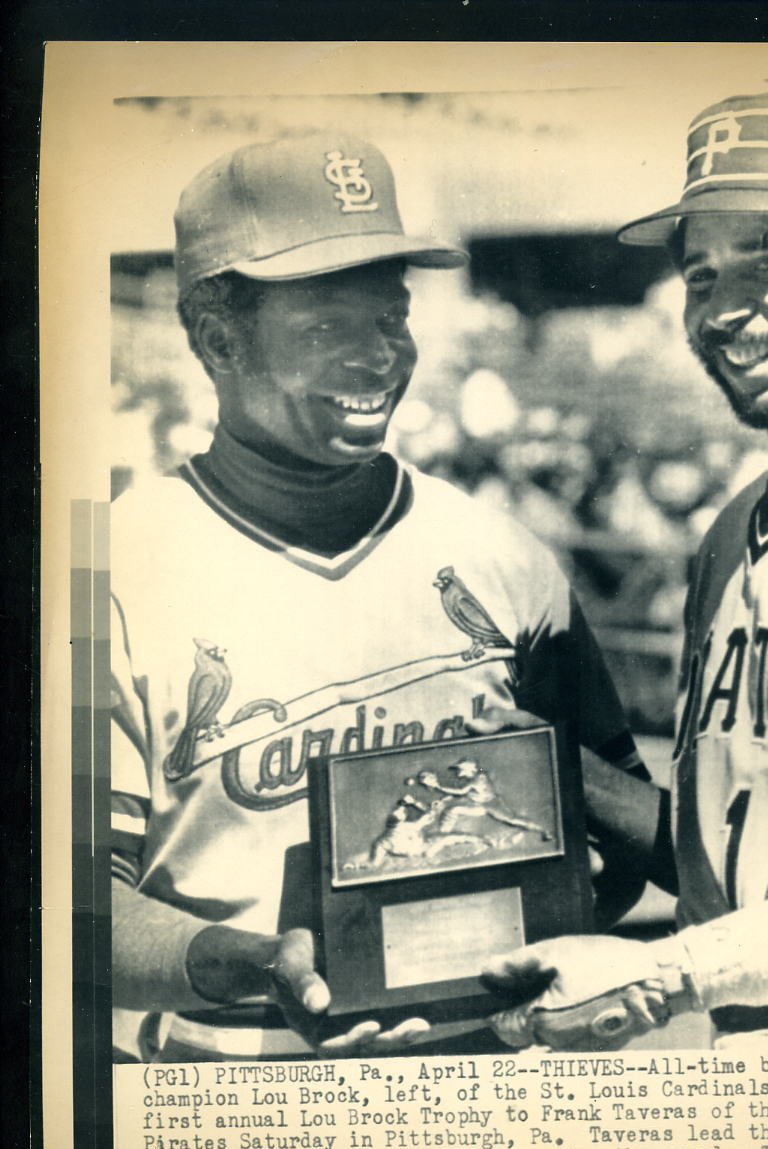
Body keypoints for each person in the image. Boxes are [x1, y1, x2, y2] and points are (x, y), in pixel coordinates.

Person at [110, 132, 645, 1060]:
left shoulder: (499, 554)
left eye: (389, 319)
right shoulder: (111, 573)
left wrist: (541, 911)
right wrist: (251, 964)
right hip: (236, 1092)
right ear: (216, 339)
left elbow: (623, 826)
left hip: (491, 1077)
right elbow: (61, 905)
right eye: (325, 329)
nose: (376, 359)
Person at [480, 91, 768, 1051]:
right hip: (750, 1069)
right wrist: (541, 772)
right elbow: (732, 873)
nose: (726, 309)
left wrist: (667, 973)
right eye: (701, 274)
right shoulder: (732, 532)